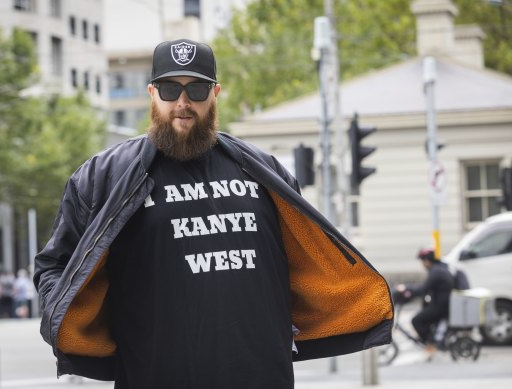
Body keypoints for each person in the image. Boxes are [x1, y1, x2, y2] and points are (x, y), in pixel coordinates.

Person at [34, 38, 394, 388]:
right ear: (152, 94)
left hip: (261, 376)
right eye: (170, 89)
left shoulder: (264, 170)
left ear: (216, 94)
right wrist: (69, 325)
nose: (183, 102)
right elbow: (55, 267)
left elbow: (303, 258)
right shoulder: (103, 177)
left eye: (197, 90)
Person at [397, 248, 454, 350]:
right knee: (423, 314)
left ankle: (430, 343)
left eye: (423, 261)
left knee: (416, 320)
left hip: (440, 307)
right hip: (442, 304)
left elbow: (423, 289)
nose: (423, 264)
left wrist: (406, 289)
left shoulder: (436, 272)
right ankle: (431, 341)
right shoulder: (439, 269)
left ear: (427, 261)